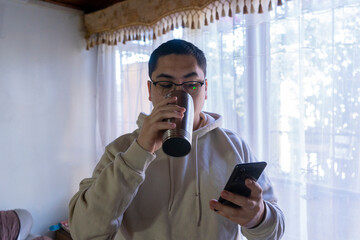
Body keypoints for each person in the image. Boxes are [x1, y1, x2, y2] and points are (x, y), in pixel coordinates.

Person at [68, 39, 285, 240]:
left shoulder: (234, 146)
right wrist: (140, 151)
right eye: (165, 84)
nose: (178, 95)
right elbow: (83, 231)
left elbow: (274, 231)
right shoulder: (122, 149)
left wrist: (258, 218)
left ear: (205, 89)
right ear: (150, 91)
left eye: (191, 85)